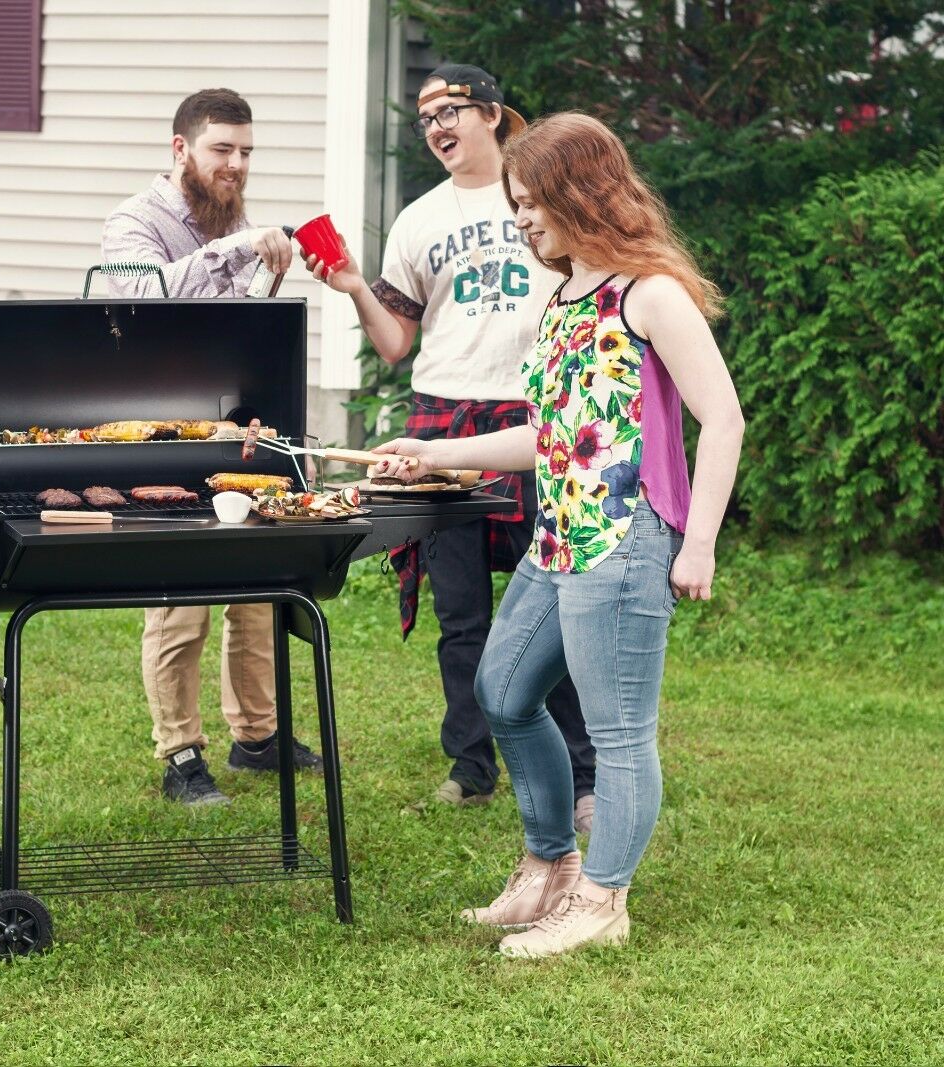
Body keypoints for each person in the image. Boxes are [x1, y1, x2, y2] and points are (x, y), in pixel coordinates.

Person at [372, 112, 745, 957]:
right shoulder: (563, 293)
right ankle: (550, 868)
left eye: (536, 202)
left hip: (625, 540)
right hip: (557, 538)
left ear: (586, 192)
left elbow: (723, 419)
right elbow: (545, 434)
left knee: (619, 734)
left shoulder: (650, 294)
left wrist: (700, 544)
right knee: (503, 691)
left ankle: (603, 902)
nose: (524, 220)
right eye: (518, 204)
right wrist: (435, 452)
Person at [306, 64, 596, 821]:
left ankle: (585, 771)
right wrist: (353, 286)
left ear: (493, 114)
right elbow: (397, 340)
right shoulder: (418, 219)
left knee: (558, 599)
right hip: (444, 421)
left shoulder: (542, 194)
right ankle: (471, 765)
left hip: (537, 418)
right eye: (426, 115)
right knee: (462, 613)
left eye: (452, 110)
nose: (437, 125)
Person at [100, 87, 322, 806]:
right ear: (181, 150)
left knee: (254, 589)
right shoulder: (133, 222)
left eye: (247, 152)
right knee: (182, 595)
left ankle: (256, 736)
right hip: (157, 428)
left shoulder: (237, 220)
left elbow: (235, 332)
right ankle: (181, 753)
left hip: (232, 425)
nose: (237, 165)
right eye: (222, 150)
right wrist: (235, 251)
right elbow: (150, 297)